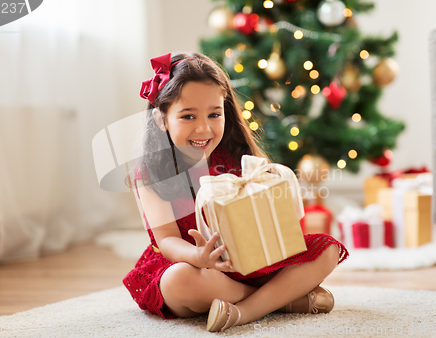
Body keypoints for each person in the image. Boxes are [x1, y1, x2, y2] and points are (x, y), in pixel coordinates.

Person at [123, 52, 348, 332]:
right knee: (180, 280)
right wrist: (199, 258)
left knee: (327, 249)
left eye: (214, 114)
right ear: (162, 119)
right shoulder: (151, 173)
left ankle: (243, 312)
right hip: (192, 266)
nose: (203, 128)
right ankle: (281, 301)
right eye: (188, 116)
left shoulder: (235, 158)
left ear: (225, 112)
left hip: (247, 262)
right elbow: (167, 240)